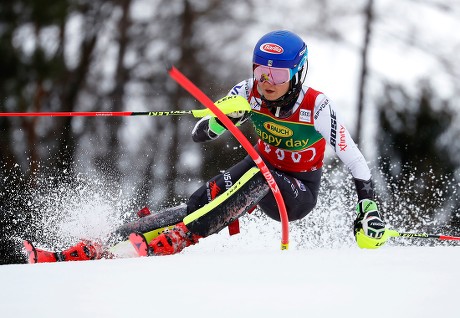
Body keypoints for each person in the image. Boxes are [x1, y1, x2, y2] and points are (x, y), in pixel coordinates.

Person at [24, 30, 388, 263]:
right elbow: (200, 134)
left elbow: (355, 160)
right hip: (256, 169)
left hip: (296, 192)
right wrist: (221, 119)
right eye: (260, 70)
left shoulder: (317, 106)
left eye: (277, 74)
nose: (266, 81)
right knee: (200, 201)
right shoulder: (248, 92)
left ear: (297, 73)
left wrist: (367, 209)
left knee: (261, 177)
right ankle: (105, 242)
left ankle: (182, 238)